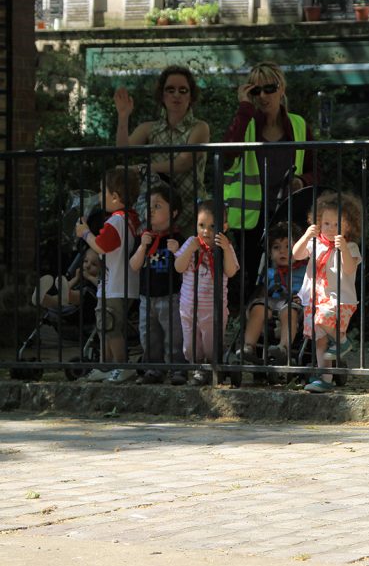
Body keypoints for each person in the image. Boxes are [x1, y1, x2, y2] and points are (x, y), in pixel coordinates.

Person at [223, 61, 318, 295]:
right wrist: (244, 109)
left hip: (289, 212)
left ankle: (289, 326)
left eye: (270, 88)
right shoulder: (245, 123)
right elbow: (226, 156)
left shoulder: (298, 124)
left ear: (282, 89)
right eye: (256, 91)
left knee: (294, 274)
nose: (263, 96)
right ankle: (254, 324)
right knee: (254, 275)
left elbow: (314, 169)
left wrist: (302, 181)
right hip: (252, 216)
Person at [114, 66, 210, 231]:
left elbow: (183, 163)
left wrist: (141, 169)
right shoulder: (149, 128)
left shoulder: (200, 127)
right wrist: (123, 116)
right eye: (170, 89)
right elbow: (123, 152)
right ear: (162, 95)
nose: (176, 95)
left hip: (192, 213)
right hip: (159, 215)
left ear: (191, 96)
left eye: (183, 90)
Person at [77, 166, 141, 384]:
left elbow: (101, 246)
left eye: (103, 192)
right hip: (116, 284)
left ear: (115, 197)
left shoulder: (116, 221)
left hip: (116, 285)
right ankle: (107, 365)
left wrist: (85, 233)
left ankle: (121, 366)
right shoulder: (129, 220)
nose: (100, 196)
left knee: (110, 326)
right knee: (106, 325)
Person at [293, 192, 362, 393]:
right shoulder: (316, 243)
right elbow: (295, 255)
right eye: (327, 224)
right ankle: (325, 378)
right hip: (316, 300)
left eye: (337, 225)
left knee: (320, 320)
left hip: (339, 301)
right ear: (318, 223)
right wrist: (306, 235)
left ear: (349, 226)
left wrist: (343, 251)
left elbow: (349, 269)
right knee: (320, 341)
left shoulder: (350, 247)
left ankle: (342, 342)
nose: (331, 229)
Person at [174, 200, 240, 385]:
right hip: (189, 307)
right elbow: (178, 267)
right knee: (191, 345)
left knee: (212, 344)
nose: (206, 231)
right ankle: (198, 368)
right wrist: (190, 250)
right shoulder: (190, 243)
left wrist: (226, 248)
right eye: (201, 225)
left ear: (224, 227)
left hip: (213, 309)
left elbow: (231, 271)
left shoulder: (224, 247)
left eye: (212, 226)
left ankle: (213, 367)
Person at [129, 183, 186, 385]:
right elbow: (134, 265)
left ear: (174, 212)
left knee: (174, 336)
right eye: (149, 205)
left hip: (171, 295)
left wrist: (178, 251)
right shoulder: (143, 238)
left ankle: (178, 368)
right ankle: (154, 368)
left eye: (158, 206)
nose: (151, 210)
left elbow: (184, 267)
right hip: (146, 296)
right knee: (148, 335)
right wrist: (142, 246)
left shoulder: (177, 238)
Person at [238, 222, 307, 368]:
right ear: (270, 252)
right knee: (258, 308)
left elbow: (312, 290)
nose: (282, 251)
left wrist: (304, 298)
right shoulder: (269, 273)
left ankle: (283, 348)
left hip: (294, 305)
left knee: (289, 312)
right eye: (276, 247)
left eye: (289, 247)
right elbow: (262, 293)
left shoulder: (306, 271)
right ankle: (248, 346)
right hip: (272, 302)